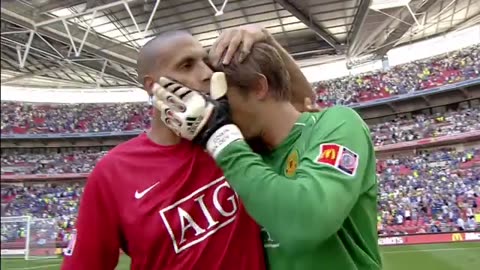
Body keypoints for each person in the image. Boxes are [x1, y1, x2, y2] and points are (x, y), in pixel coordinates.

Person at [61, 25, 314, 270]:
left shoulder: (237, 132)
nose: (206, 73)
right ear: (153, 86)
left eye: (206, 61)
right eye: (187, 65)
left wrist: (266, 38)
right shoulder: (113, 172)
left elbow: (303, 105)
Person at [153, 42, 382, 269]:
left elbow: (307, 223)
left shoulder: (338, 122)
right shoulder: (250, 155)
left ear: (259, 86)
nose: (214, 113)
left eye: (220, 101)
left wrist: (220, 137)